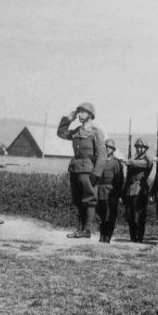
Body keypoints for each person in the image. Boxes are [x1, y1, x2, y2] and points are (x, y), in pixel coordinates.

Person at [57, 102, 106, 239]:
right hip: (75, 169)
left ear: (90, 115)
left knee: (89, 200)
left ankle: (86, 230)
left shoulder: (96, 132)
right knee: (78, 200)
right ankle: (79, 229)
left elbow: (102, 155)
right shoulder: (77, 131)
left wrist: (97, 173)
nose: (79, 114)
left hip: (88, 171)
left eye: (82, 112)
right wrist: (68, 119)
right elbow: (61, 133)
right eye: (78, 112)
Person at [96, 139, 124, 243]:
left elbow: (120, 180)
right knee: (101, 216)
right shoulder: (100, 161)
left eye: (109, 147)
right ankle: (101, 236)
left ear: (113, 149)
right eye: (106, 147)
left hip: (111, 192)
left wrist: (119, 194)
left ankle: (107, 237)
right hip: (100, 191)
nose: (107, 149)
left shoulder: (116, 163)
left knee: (110, 217)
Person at [124, 138, 152, 243]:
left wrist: (130, 162)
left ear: (145, 149)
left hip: (140, 190)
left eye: (141, 147)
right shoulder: (133, 159)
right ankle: (132, 237)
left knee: (139, 217)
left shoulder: (147, 159)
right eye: (138, 147)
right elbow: (128, 177)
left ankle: (139, 238)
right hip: (130, 190)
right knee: (130, 216)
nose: (139, 149)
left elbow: (144, 164)